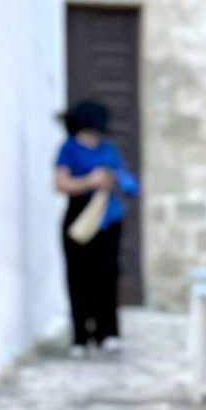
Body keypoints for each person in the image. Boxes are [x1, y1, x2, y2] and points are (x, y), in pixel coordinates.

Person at [54, 97, 138, 352]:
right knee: (79, 276)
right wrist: (90, 181)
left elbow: (125, 178)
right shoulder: (68, 149)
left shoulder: (108, 149)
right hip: (80, 215)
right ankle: (81, 335)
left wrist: (117, 180)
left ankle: (107, 332)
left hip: (107, 217)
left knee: (107, 274)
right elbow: (60, 183)